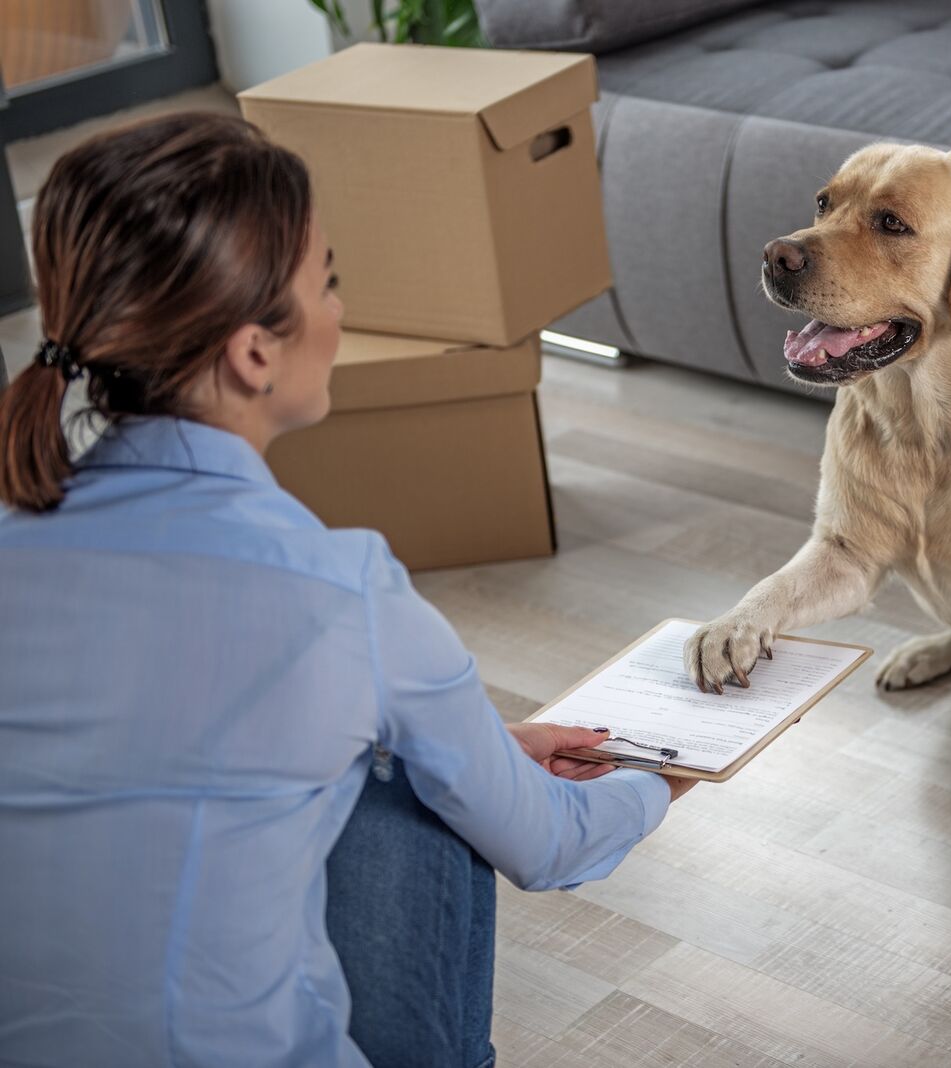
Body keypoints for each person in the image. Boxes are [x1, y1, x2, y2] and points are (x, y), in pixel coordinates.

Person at [0, 112, 690, 1068]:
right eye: (326, 280)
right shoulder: (340, 592)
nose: (338, 307)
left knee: (388, 756)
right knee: (418, 774)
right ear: (253, 353)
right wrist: (662, 777)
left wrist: (481, 743)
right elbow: (549, 847)